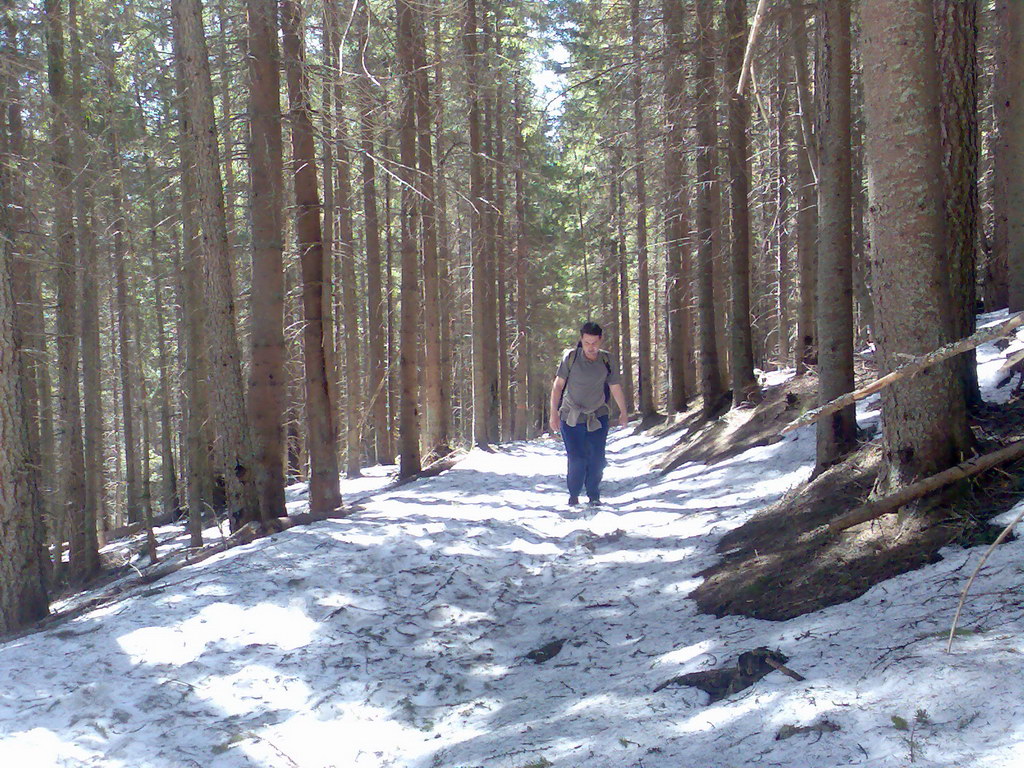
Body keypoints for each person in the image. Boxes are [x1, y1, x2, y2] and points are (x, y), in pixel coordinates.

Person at [548, 322, 629, 506]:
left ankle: (593, 495)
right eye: (586, 343)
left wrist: (623, 412)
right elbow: (558, 386)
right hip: (571, 416)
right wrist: (553, 413)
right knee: (577, 458)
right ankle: (574, 494)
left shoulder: (607, 360)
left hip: (598, 416)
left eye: (594, 343)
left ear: (600, 340)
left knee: (597, 459)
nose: (590, 347)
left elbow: (614, 386)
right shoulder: (571, 358)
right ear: (581, 341)